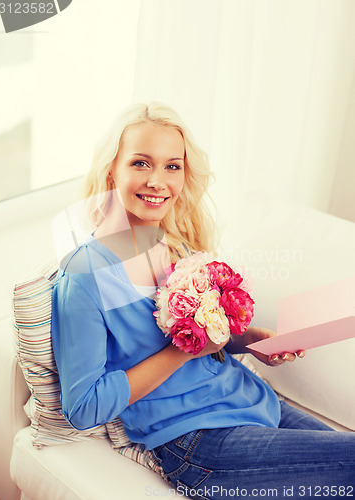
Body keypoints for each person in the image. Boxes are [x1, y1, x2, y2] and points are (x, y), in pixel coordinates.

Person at [51, 102, 355, 499]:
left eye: (172, 166)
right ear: (112, 170)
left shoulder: (176, 248)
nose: (158, 181)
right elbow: (84, 407)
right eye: (141, 163)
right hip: (197, 441)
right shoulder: (83, 277)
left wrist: (249, 341)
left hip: (252, 399)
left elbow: (207, 337)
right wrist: (186, 352)